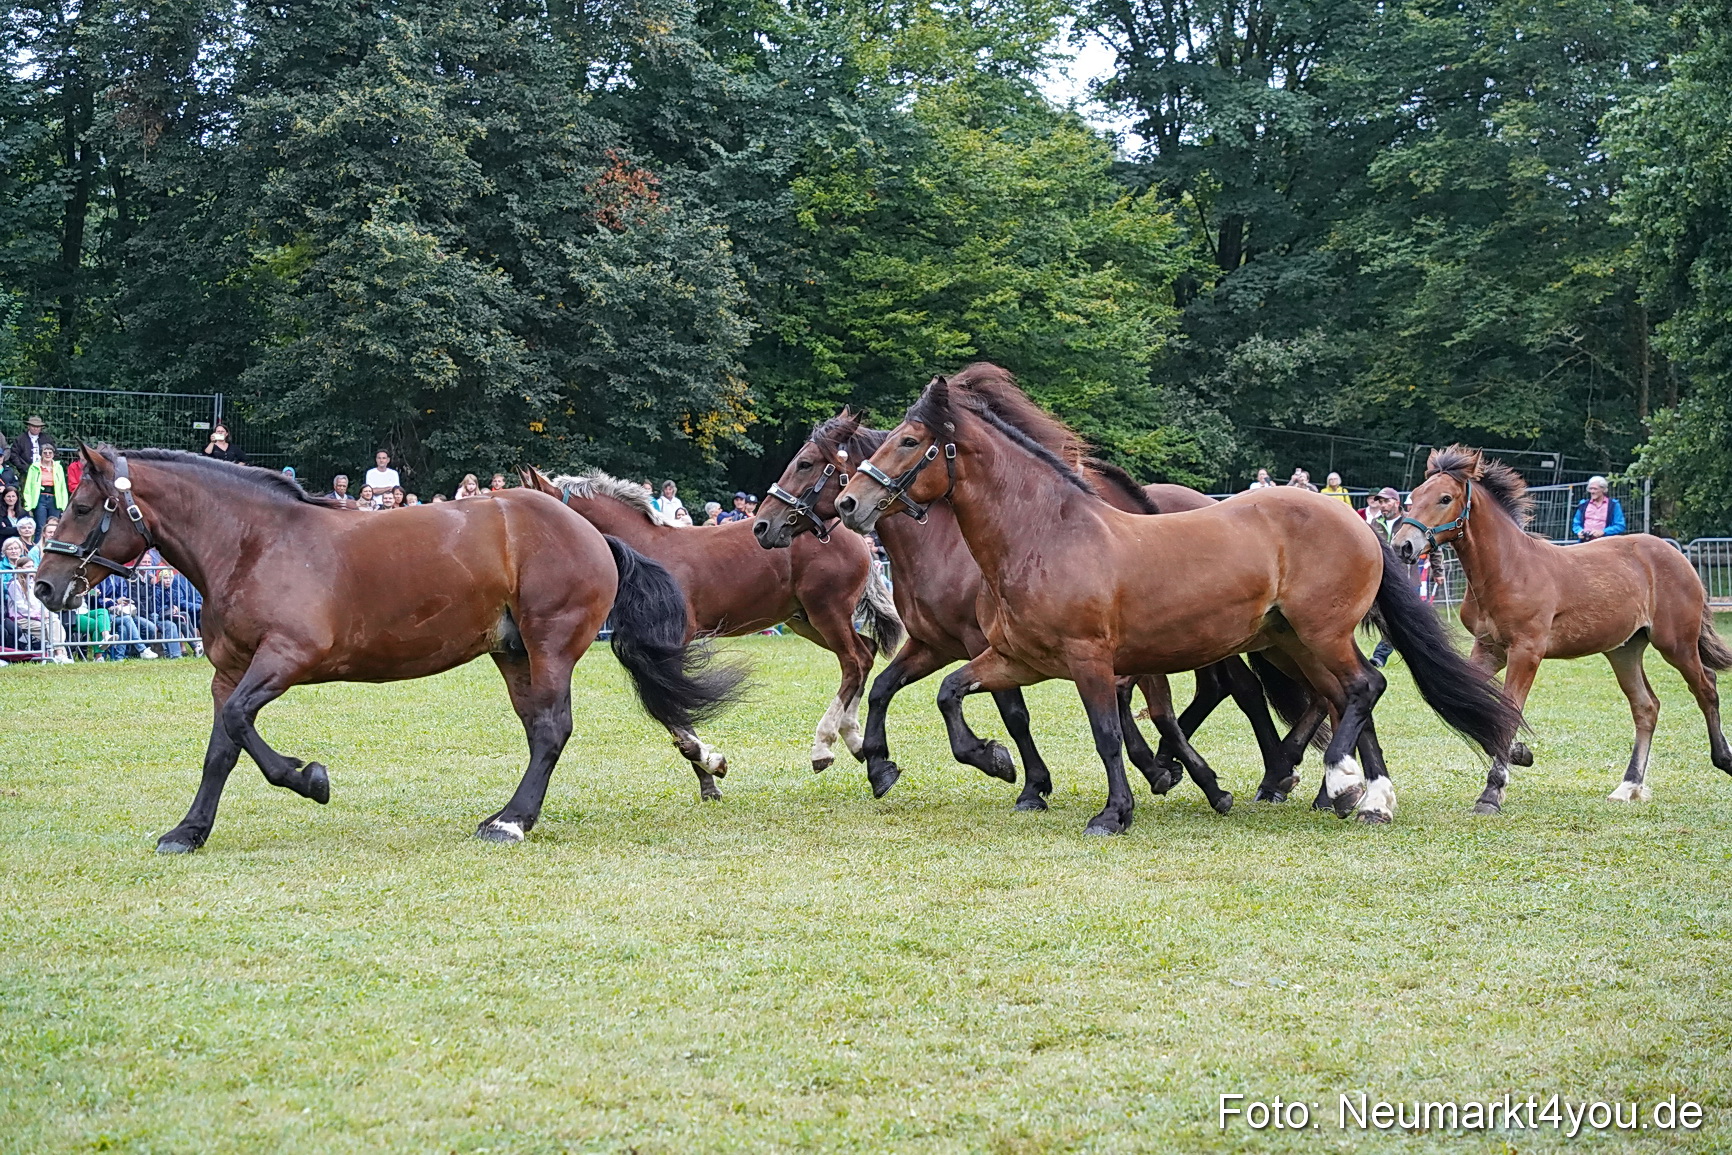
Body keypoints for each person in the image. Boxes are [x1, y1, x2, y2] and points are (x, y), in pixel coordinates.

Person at [2, 536, 71, 662]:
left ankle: (58, 655)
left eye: (32, 566)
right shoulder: (14, 584)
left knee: (54, 623)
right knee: (51, 628)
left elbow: (41, 602)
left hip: (39, 617)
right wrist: (38, 615)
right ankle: (60, 655)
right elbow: (21, 607)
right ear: (20, 569)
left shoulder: (34, 583)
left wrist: (44, 613)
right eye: (27, 567)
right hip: (22, 618)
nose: (31, 570)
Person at [24, 443, 68, 528]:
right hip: (40, 498)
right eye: (45, 452)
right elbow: (28, 487)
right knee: (40, 526)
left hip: (55, 499)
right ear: (41, 454)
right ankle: (39, 541)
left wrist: (64, 505)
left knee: (53, 525)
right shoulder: (34, 467)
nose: (47, 454)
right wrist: (28, 504)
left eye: (50, 452)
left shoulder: (58, 467)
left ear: (53, 454)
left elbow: (62, 487)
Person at [1572, 476, 1626, 541]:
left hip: (1605, 543)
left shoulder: (1613, 505)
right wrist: (1579, 531)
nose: (1592, 491)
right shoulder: (1583, 504)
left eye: (1595, 489)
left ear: (1603, 489)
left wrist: (1603, 532)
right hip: (1584, 542)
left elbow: (1620, 526)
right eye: (1590, 489)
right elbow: (1576, 524)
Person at [6, 415, 50, 482]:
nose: (35, 428)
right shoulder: (21, 439)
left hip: (44, 471)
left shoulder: (46, 439)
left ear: (41, 427)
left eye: (38, 426)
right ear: (28, 426)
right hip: (26, 471)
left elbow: (54, 453)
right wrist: (21, 467)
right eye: (33, 426)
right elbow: (14, 454)